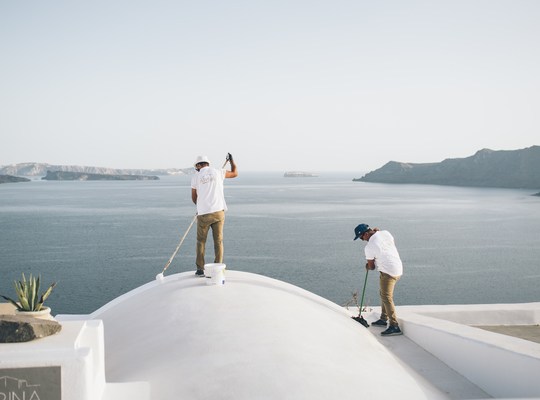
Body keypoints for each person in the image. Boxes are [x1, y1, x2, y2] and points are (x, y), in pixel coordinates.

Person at [191, 153, 238, 276]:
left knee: (201, 242)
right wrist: (232, 161)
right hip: (218, 212)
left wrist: (200, 206)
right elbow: (234, 173)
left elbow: (194, 197)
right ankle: (218, 266)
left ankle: (200, 269)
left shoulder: (196, 177)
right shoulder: (218, 172)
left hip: (204, 214)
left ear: (198, 166)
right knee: (218, 241)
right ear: (208, 164)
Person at [354, 223, 403, 336]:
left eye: (361, 237)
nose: (362, 240)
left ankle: (394, 326)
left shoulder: (369, 247)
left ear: (366, 234)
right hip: (398, 267)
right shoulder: (386, 233)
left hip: (388, 271)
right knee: (383, 294)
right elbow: (389, 247)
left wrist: (367, 265)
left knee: (386, 297)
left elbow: (371, 267)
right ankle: (383, 318)